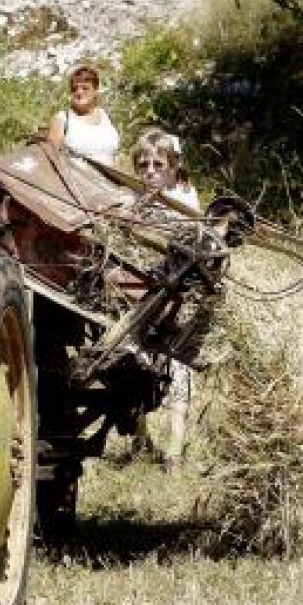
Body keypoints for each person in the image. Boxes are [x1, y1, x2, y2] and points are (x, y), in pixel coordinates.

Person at [130, 128, 201, 470]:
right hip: (140, 293)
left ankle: (174, 446)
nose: (151, 171)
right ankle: (139, 435)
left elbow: (200, 241)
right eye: (143, 165)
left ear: (173, 167)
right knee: (133, 362)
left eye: (159, 165)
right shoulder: (133, 201)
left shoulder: (185, 200)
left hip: (179, 295)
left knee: (179, 366)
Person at [45, 65, 120, 165]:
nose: (79, 92)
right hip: (74, 179)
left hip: (108, 180)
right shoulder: (62, 119)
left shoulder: (106, 116)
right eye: (75, 89)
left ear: (95, 91)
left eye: (85, 88)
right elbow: (50, 159)